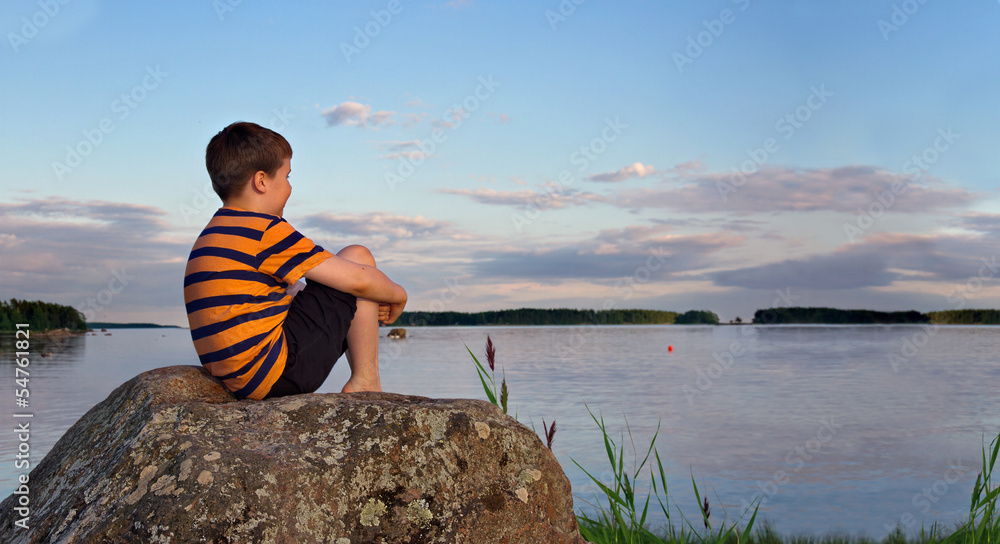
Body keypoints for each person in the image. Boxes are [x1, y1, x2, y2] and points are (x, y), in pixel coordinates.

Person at [183, 121, 407, 400]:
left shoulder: (215, 235)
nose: (290, 187)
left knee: (332, 284)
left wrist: (364, 305)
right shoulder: (262, 229)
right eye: (287, 176)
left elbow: (286, 296)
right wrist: (398, 295)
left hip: (242, 379)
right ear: (261, 181)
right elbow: (359, 281)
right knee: (357, 257)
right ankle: (366, 380)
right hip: (278, 373)